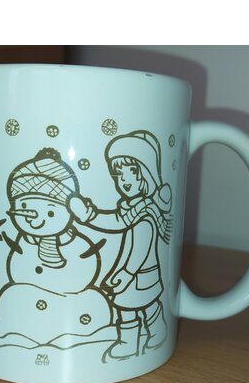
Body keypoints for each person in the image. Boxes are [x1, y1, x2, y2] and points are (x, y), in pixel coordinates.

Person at [69, 130, 172, 361]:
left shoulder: (145, 213)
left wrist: (126, 273)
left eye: (131, 173)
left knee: (135, 306)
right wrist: (89, 215)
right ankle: (150, 334)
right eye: (118, 175)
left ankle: (137, 339)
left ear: (145, 174)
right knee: (139, 305)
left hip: (138, 274)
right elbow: (115, 222)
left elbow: (141, 248)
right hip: (135, 274)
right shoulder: (131, 209)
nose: (123, 181)